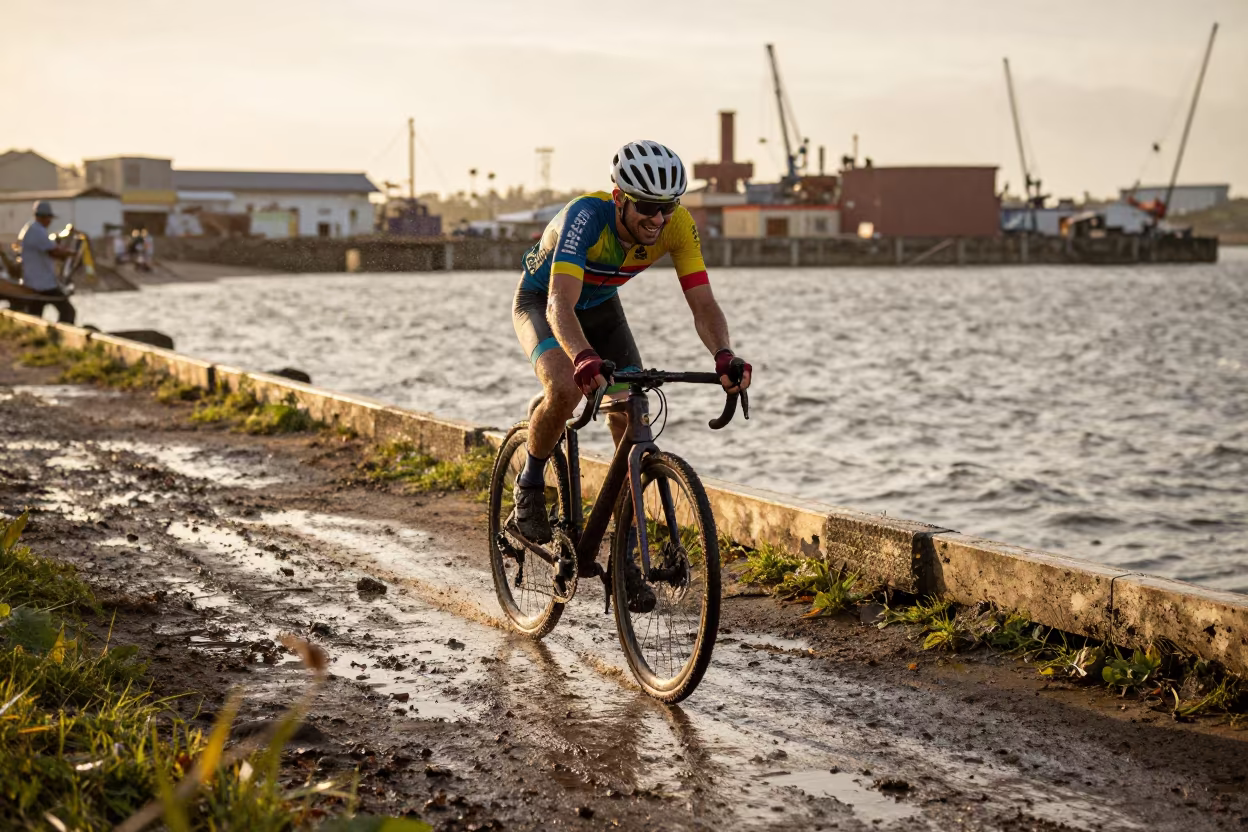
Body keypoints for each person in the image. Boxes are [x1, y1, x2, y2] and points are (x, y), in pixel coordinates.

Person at [510, 140, 752, 610]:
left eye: (667, 207)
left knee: (631, 411)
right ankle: (530, 485)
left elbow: (703, 304)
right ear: (620, 197)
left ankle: (623, 559)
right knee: (564, 388)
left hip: (601, 306)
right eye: (647, 207)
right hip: (545, 303)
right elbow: (561, 305)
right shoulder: (586, 217)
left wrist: (724, 354)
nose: (657, 220)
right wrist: (581, 358)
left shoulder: (676, 226)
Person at [14, 201, 76, 323]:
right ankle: (61, 334)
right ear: (43, 217)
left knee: (35, 314)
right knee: (68, 311)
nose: (50, 221)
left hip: (34, 282)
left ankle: (38, 335)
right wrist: (71, 253)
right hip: (42, 284)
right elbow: (54, 252)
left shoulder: (32, 229)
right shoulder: (37, 231)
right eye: (49, 218)